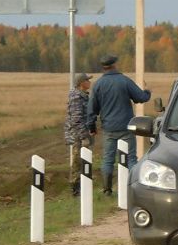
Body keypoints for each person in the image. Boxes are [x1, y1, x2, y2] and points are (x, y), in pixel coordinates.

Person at [87, 55, 151, 195]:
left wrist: (91, 127)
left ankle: (107, 190)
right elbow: (140, 98)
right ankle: (134, 188)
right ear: (115, 65)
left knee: (108, 159)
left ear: (103, 67)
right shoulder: (124, 81)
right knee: (131, 158)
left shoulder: (98, 84)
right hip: (126, 126)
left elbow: (92, 110)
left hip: (109, 128)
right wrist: (147, 91)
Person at [64, 72, 92, 196]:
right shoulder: (76, 97)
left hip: (81, 133)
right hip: (78, 135)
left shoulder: (83, 95)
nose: (89, 82)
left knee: (83, 159)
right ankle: (75, 188)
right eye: (87, 80)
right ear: (82, 83)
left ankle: (82, 185)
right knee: (77, 161)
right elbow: (76, 119)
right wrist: (84, 136)